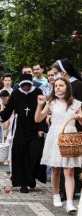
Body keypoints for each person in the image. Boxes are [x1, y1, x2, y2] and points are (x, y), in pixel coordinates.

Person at [0, 73, 47, 193]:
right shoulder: (16, 93)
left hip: (35, 127)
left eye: (27, 85)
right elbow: (9, 109)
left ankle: (32, 177)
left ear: (31, 84)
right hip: (21, 128)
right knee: (21, 154)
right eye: (23, 86)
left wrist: (41, 128)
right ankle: (24, 183)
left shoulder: (38, 91)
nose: (25, 88)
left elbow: (43, 110)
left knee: (36, 153)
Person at [35, 78, 82, 213]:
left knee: (69, 170)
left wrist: (79, 117)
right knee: (55, 169)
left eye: (61, 85)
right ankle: (56, 195)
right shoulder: (51, 102)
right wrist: (39, 105)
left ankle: (69, 202)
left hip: (70, 137)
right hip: (55, 136)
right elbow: (38, 119)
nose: (58, 88)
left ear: (67, 87)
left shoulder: (76, 103)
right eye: (56, 86)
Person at [52, 58, 82, 200]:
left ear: (63, 72)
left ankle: (70, 190)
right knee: (61, 160)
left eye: (56, 72)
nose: (54, 75)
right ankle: (63, 191)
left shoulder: (78, 84)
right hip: (61, 127)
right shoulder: (63, 86)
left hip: (74, 126)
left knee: (70, 161)